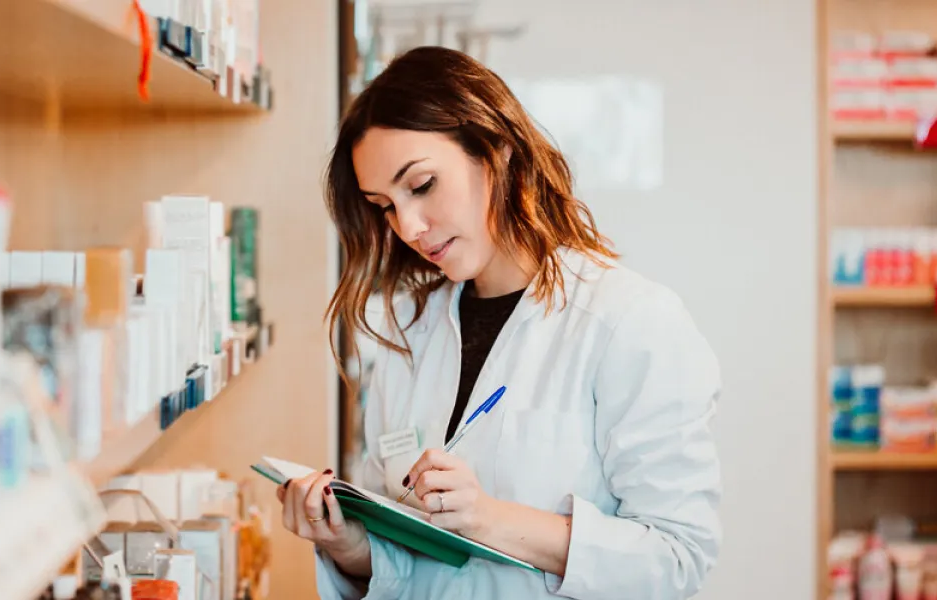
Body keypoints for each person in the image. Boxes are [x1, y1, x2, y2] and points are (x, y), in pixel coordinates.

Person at [276, 45, 722, 599]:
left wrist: (489, 518)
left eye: (420, 186)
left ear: (497, 150)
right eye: (384, 206)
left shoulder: (629, 322)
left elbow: (677, 558)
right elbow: (414, 555)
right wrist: (347, 546)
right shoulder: (410, 332)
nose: (409, 226)